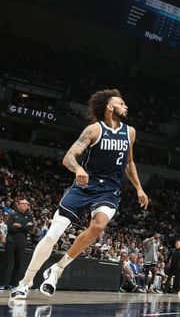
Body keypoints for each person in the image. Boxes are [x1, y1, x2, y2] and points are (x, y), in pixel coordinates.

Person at [10, 89, 148, 300]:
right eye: (121, 103)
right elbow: (68, 157)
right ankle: (25, 282)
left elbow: (129, 163)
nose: (125, 106)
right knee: (52, 235)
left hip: (109, 189)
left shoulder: (130, 132)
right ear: (110, 107)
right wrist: (78, 169)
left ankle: (57, 269)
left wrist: (139, 188)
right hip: (84, 186)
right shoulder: (94, 130)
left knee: (98, 226)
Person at [2, 199, 34, 290]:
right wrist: (25, 226)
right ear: (18, 205)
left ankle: (14, 284)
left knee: (18, 263)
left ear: (28, 206)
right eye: (22, 204)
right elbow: (10, 228)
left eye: (26, 204)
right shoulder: (12, 214)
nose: (24, 205)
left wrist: (19, 226)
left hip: (22, 242)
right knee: (6, 263)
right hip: (11, 241)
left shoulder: (30, 216)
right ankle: (3, 283)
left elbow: (30, 229)